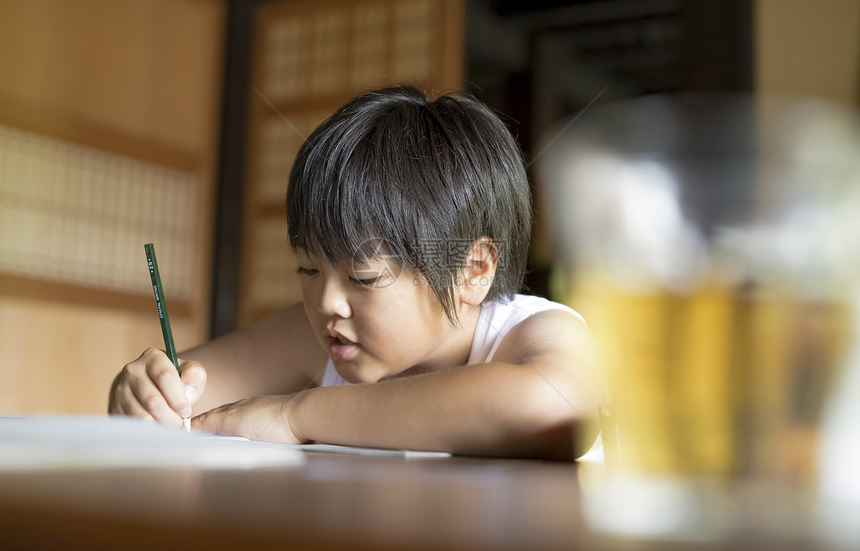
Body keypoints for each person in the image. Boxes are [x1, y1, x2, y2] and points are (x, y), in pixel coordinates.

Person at [109, 85, 604, 460]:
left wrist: (295, 413)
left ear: (472, 269)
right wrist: (142, 394)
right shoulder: (324, 336)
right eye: (308, 268)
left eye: (364, 277)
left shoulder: (528, 333)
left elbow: (557, 407)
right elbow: (186, 395)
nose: (327, 302)